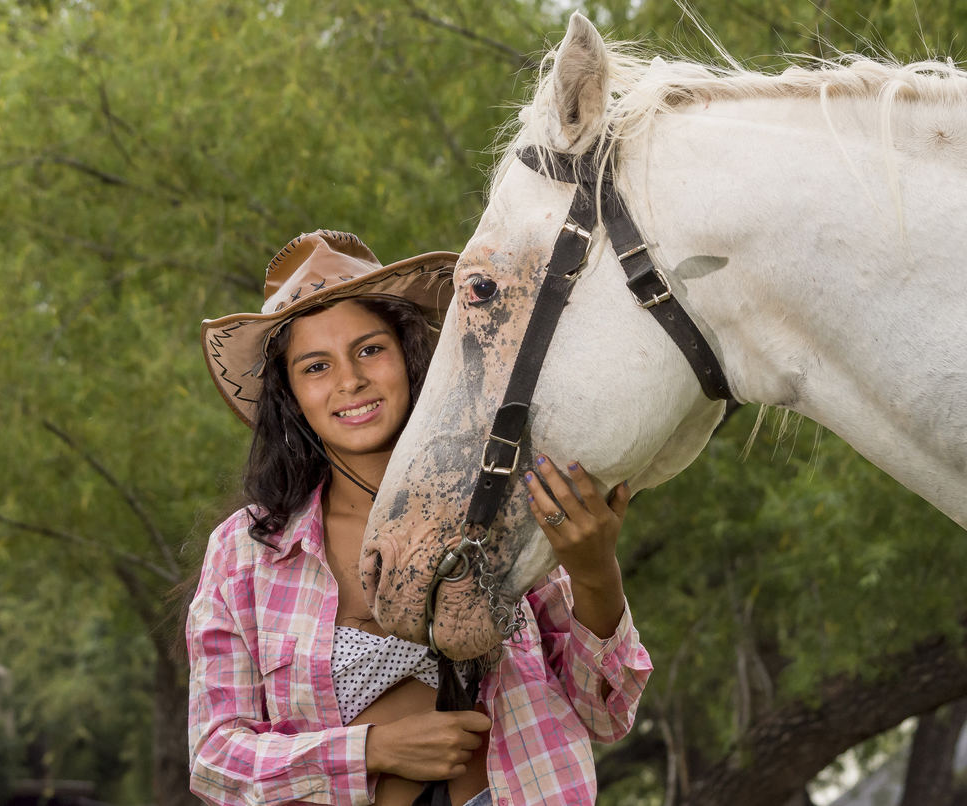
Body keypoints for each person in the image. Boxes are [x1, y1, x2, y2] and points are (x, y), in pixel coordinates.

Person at [187, 230, 653, 806]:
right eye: (315, 366)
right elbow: (215, 761)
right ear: (290, 394)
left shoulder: (499, 506)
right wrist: (374, 750)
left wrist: (594, 575)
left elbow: (604, 714)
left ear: (408, 356)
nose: (349, 380)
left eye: (368, 349)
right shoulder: (246, 553)